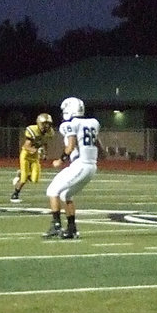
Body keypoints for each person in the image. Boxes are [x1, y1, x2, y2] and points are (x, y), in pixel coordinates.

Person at [44, 97, 101, 239]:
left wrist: (60, 160)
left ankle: (56, 226)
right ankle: (72, 229)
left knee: (52, 190)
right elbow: (97, 142)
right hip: (91, 166)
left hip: (80, 164)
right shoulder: (93, 122)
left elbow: (70, 145)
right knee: (65, 195)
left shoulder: (69, 125)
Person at [11, 113, 55, 203]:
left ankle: (21, 174)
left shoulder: (49, 132)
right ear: (39, 123)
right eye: (44, 123)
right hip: (26, 155)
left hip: (35, 156)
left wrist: (45, 153)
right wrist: (35, 150)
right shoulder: (33, 130)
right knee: (24, 178)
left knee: (35, 179)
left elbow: (45, 143)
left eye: (48, 124)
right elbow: (26, 146)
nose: (46, 126)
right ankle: (15, 194)